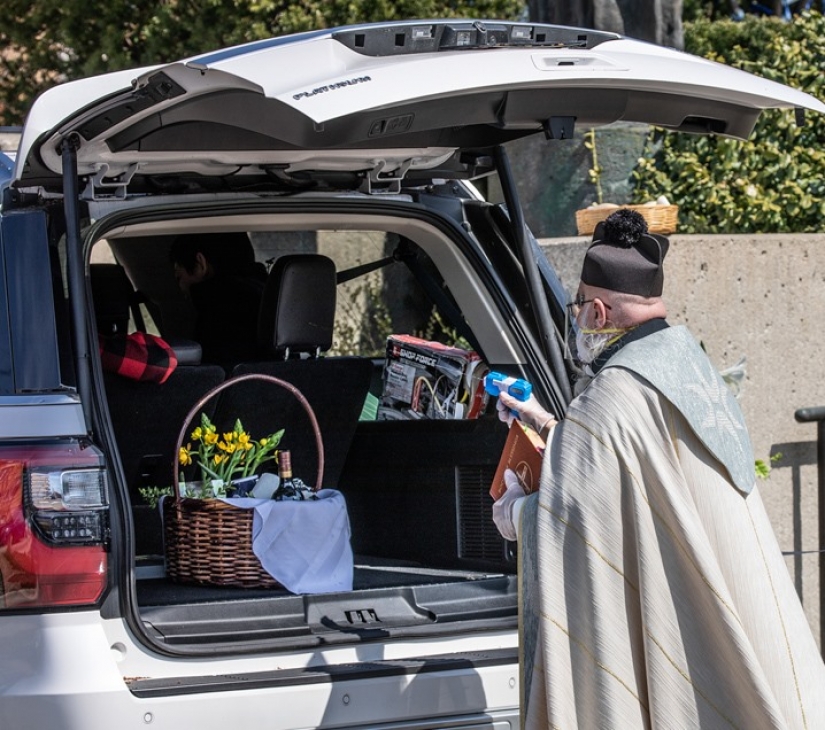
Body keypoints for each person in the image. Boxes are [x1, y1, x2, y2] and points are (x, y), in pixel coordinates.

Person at [493, 209, 825, 728]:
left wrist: (516, 514)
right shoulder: (686, 364)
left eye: (579, 306)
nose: (577, 318)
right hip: (746, 614)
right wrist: (550, 425)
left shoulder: (613, 395)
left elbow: (576, 519)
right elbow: (633, 464)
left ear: (599, 311)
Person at [169, 232, 267, 366]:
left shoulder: (216, 316)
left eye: (178, 277)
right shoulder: (271, 303)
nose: (181, 288)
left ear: (200, 263)